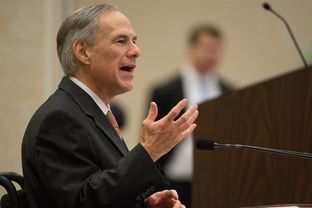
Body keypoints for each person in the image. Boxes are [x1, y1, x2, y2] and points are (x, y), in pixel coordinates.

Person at [22, 3, 199, 208]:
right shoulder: (59, 119)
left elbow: (108, 191)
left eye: (134, 41)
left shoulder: (97, 112)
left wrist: (147, 205)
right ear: (83, 51)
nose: (136, 51)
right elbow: (84, 203)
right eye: (121, 40)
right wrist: (149, 151)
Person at [150, 24, 233, 207]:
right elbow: (152, 138)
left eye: (216, 50)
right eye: (206, 48)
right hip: (174, 180)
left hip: (215, 182)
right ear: (191, 48)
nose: (212, 55)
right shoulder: (165, 90)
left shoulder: (229, 91)